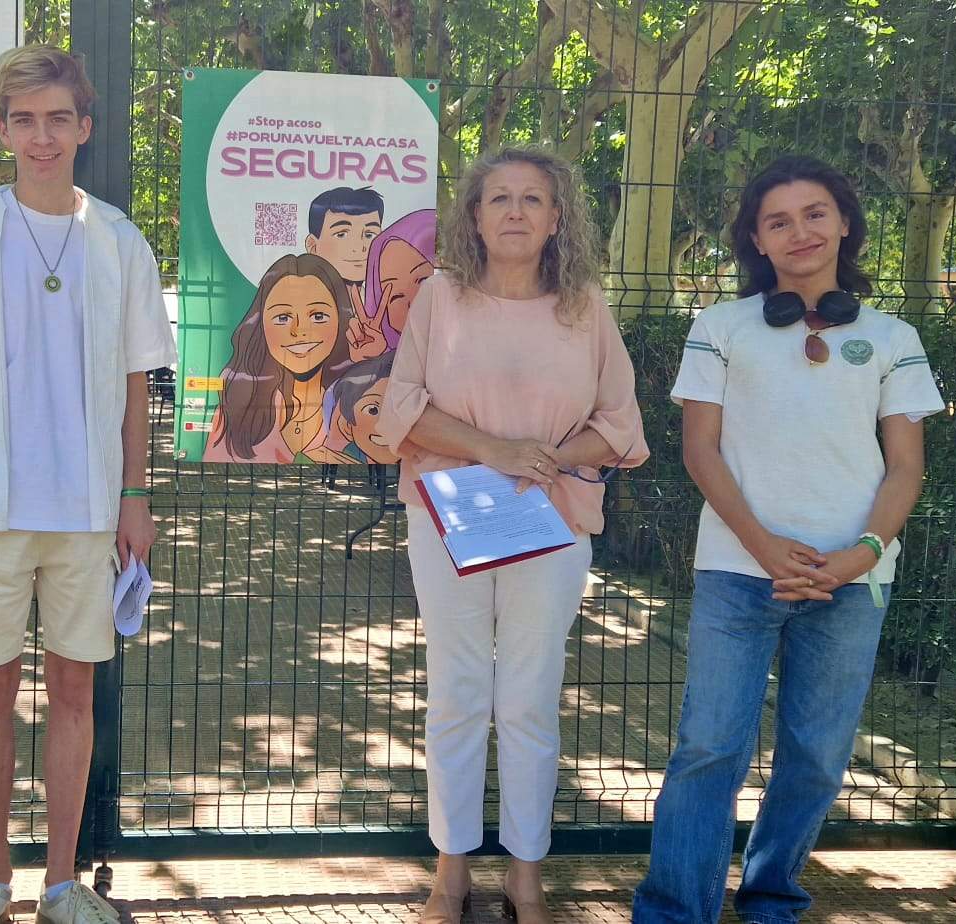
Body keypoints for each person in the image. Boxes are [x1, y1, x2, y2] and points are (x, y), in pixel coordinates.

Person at [0, 44, 175, 924]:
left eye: (57, 119)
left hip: (88, 513)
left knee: (76, 697)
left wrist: (136, 496)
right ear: (3, 130)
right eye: (24, 120)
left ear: (84, 127)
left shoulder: (120, 241)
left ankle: (59, 883)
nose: (41, 136)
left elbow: (136, 384)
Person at [631, 155, 946, 924]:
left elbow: (905, 468)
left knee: (816, 758)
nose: (798, 231)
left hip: (852, 582)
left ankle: (772, 901)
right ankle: (675, 911)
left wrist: (859, 556)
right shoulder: (719, 327)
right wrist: (764, 546)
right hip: (738, 573)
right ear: (757, 240)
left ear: (844, 223)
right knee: (709, 750)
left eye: (814, 213)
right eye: (778, 220)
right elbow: (700, 451)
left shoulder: (894, 337)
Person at [373, 146, 649, 924]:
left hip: (551, 518)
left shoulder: (584, 306)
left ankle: (527, 877)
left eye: (533, 198)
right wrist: (494, 450)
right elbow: (402, 407)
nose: (517, 211)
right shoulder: (440, 297)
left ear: (558, 218)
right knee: (457, 693)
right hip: (450, 517)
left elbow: (620, 422)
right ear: (474, 216)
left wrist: (544, 459)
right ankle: (450, 873)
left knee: (529, 698)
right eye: (499, 198)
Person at [202, 253, 359, 464]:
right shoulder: (238, 404)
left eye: (318, 316)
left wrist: (370, 363)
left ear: (341, 320)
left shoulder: (353, 400)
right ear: (261, 325)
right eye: (283, 317)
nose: (299, 330)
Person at [359, 208, 437, 356]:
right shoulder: (385, 362)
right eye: (395, 297)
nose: (412, 303)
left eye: (423, 281)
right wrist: (375, 362)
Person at [304, 184, 385, 315]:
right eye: (341, 234)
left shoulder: (383, 305)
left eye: (369, 234)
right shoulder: (299, 303)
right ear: (313, 246)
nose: (359, 247)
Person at [320, 353, 400, 464]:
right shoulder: (334, 458)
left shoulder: (422, 460)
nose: (388, 423)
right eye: (373, 410)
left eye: (399, 408)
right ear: (346, 425)